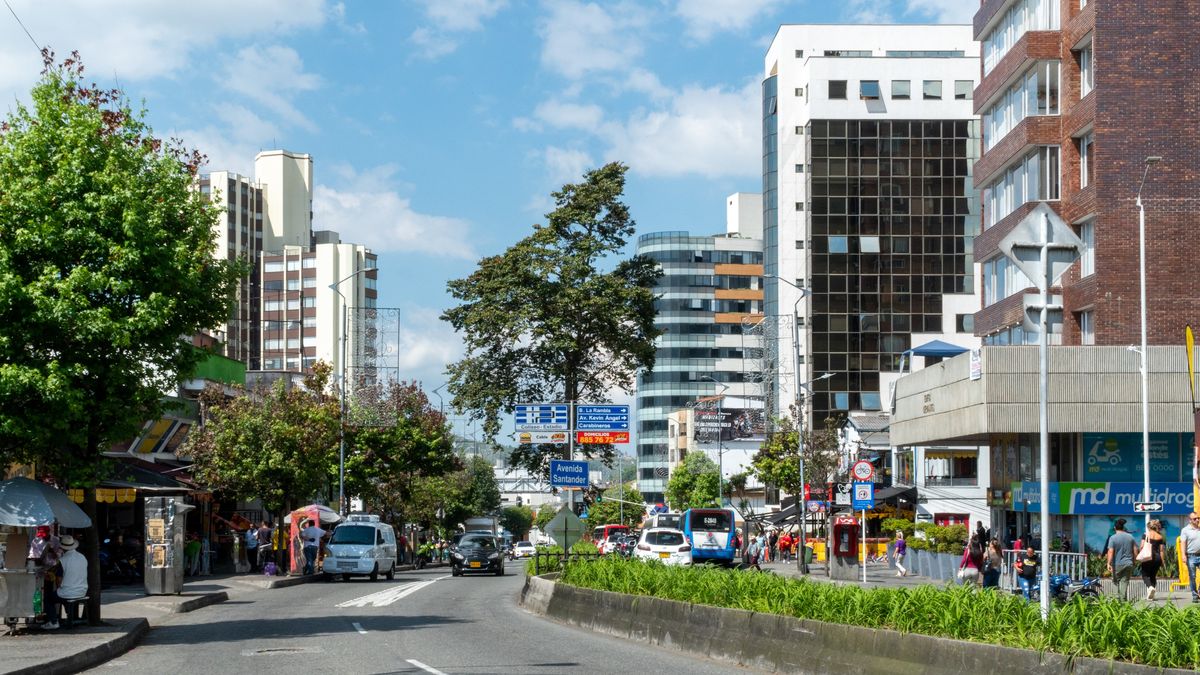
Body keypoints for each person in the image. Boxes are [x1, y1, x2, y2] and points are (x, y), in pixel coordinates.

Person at [42, 535, 87, 630]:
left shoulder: (63, 560)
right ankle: (69, 616)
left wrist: (59, 587)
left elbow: (58, 580)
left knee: (48, 599)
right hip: (82, 590)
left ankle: (53, 622)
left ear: (62, 547)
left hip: (68, 592)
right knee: (64, 595)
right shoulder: (82, 557)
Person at [1106, 518, 1136, 601]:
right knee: (1124, 583)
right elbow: (1135, 550)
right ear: (1123, 528)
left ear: (1115, 528)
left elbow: (1110, 551)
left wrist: (1108, 563)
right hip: (1128, 564)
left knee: (1115, 582)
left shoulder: (1113, 538)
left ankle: (1116, 602)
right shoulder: (1131, 537)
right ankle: (1124, 604)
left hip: (1117, 564)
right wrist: (1134, 561)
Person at [1139, 519, 1166, 601]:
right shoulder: (1160, 536)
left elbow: (1142, 546)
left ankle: (1150, 587)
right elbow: (1161, 550)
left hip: (1148, 557)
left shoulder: (1145, 535)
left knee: (1145, 575)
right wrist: (1162, 561)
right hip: (1157, 557)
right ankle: (1151, 595)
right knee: (1153, 576)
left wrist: (1141, 555)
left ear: (1149, 527)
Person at [1182, 512, 1200, 603]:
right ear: (1190, 520)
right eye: (1195, 519)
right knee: (1192, 576)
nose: (1197, 520)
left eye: (1198, 518)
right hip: (1191, 556)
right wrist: (1183, 555)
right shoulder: (1185, 530)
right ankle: (1195, 595)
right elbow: (1183, 543)